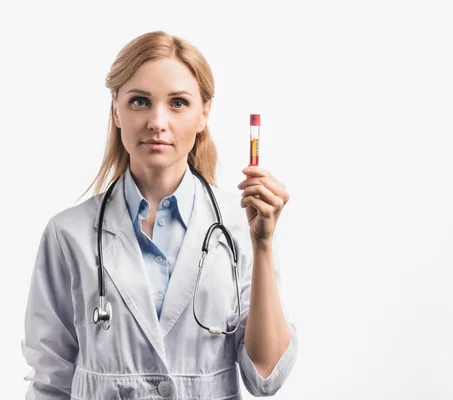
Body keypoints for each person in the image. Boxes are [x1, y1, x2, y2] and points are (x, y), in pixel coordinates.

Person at [21, 30, 298, 399]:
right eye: (140, 101)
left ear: (205, 113)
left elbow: (266, 377)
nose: (157, 121)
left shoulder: (241, 225)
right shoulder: (68, 233)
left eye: (178, 103)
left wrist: (261, 244)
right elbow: (50, 379)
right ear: (116, 109)